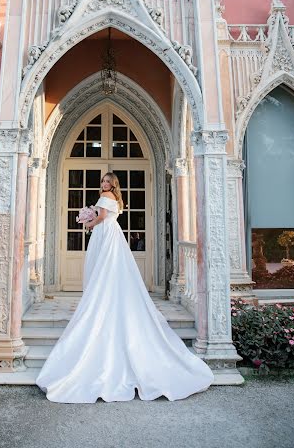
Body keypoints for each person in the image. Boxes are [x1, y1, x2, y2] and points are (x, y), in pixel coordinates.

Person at [36, 172, 214, 403]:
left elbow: (100, 218)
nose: (104, 185)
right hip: (113, 235)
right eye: (103, 182)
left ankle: (102, 300)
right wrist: (92, 220)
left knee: (102, 269)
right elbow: (106, 216)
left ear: (112, 185)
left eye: (107, 182)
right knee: (112, 271)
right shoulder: (116, 199)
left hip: (105, 234)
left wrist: (88, 222)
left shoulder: (105, 197)